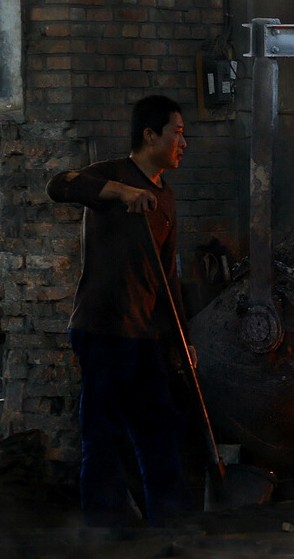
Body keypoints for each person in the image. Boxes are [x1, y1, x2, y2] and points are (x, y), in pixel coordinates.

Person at [46, 95, 195, 527]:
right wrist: (119, 192)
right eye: (177, 133)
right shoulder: (112, 174)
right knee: (103, 436)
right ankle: (104, 532)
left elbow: (168, 281)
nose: (183, 143)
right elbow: (59, 184)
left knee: (158, 431)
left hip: (145, 335)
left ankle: (172, 525)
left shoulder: (165, 198)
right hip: (103, 330)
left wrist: (182, 341)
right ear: (150, 135)